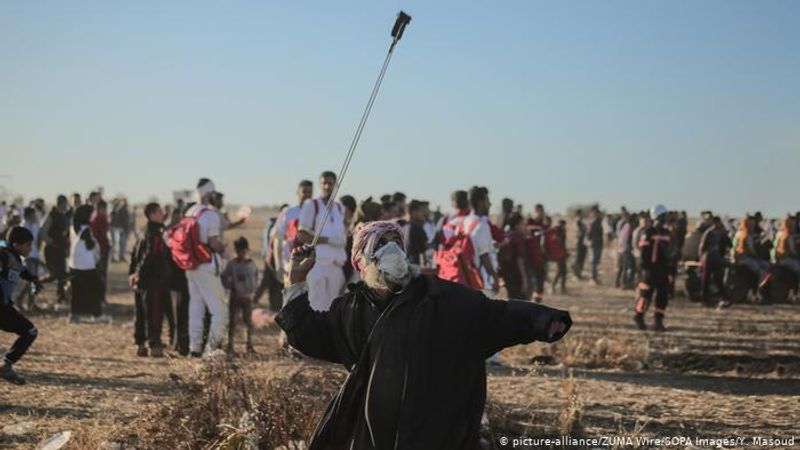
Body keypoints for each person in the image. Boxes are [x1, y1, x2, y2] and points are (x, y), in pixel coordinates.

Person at [276, 221, 572, 449]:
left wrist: (542, 320)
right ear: (361, 260)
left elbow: (492, 315)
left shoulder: (436, 297)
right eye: (381, 244)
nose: (391, 250)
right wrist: (297, 279)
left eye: (396, 242)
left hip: (434, 427)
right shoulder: (350, 311)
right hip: (376, 433)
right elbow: (307, 332)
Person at [184, 178, 228, 357]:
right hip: (206, 265)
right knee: (220, 311)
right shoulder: (210, 215)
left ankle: (194, 348)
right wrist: (224, 249)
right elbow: (213, 243)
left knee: (196, 307)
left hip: (191, 266)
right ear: (209, 193)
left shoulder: (190, 212)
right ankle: (211, 351)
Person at [296, 171, 347, 311]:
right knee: (316, 306)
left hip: (336, 266)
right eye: (324, 183)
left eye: (330, 183)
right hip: (317, 265)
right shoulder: (312, 205)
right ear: (320, 184)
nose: (327, 186)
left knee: (333, 308)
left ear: (335, 185)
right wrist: (328, 240)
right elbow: (302, 235)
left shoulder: (339, 208)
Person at [1, 226, 43, 385]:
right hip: (2, 308)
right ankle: (6, 366)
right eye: (28, 245)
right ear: (16, 244)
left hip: (4, 307)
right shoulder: (3, 255)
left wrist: (34, 280)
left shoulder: (14, 258)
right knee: (29, 332)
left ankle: (6, 366)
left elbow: (23, 271)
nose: (30, 249)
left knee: (29, 332)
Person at [129, 203, 172, 357]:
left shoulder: (143, 232)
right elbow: (149, 254)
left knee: (140, 313)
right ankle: (154, 345)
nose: (162, 214)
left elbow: (134, 254)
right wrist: (138, 273)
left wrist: (133, 273)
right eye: (160, 212)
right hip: (152, 281)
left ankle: (140, 344)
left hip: (142, 281)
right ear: (152, 214)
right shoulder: (155, 235)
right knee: (154, 313)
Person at [634, 205, 673, 332]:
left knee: (662, 296)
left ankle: (658, 321)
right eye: (664, 216)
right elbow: (643, 252)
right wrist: (644, 269)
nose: (666, 218)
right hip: (649, 270)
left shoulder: (666, 233)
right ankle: (639, 317)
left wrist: (670, 270)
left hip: (663, 270)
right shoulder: (648, 232)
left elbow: (669, 252)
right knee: (645, 296)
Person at [68, 205, 110, 323]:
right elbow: (90, 246)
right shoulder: (86, 229)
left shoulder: (74, 226)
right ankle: (97, 315)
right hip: (86, 264)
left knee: (77, 291)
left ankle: (74, 315)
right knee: (95, 289)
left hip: (74, 263)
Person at [222, 237, 258, 354]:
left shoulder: (252, 264)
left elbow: (255, 278)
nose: (241, 254)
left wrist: (253, 291)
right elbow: (224, 278)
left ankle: (249, 345)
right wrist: (230, 286)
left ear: (247, 250)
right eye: (239, 251)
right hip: (235, 297)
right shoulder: (232, 264)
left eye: (243, 251)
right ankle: (230, 345)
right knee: (232, 322)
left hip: (247, 298)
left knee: (248, 322)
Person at [463, 187, 500, 294]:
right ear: (480, 202)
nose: (490, 204)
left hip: (468, 277)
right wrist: (495, 278)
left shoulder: (466, 221)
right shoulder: (482, 225)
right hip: (481, 281)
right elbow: (484, 256)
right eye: (487, 200)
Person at [40, 195, 70, 303]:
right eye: (64, 204)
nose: (65, 206)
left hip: (61, 251)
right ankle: (34, 285)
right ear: (60, 204)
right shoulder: (51, 216)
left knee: (62, 275)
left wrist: (66, 247)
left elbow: (66, 234)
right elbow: (43, 232)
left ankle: (61, 297)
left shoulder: (64, 216)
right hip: (51, 251)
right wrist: (52, 243)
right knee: (54, 275)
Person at [699, 216, 732, 308]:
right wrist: (701, 259)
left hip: (718, 259)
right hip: (709, 259)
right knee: (706, 280)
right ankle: (705, 300)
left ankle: (724, 298)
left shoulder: (722, 233)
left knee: (718, 280)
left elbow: (729, 244)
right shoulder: (709, 233)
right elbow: (702, 247)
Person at [16, 208, 42, 311]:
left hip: (35, 255)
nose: (35, 216)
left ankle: (24, 301)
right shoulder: (23, 227)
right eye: (34, 215)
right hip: (27, 257)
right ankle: (30, 304)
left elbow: (37, 239)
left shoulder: (35, 226)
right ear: (29, 215)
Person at [500, 213, 531, 299]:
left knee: (512, 299)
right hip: (517, 276)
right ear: (517, 226)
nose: (524, 227)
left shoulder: (507, 236)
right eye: (522, 224)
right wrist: (524, 279)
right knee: (521, 301)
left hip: (507, 274)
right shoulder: (518, 238)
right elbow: (519, 259)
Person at [90, 200, 111, 303]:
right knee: (100, 274)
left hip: (101, 249)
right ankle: (100, 297)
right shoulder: (98, 220)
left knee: (101, 274)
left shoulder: (100, 219)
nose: (106, 211)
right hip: (100, 250)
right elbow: (101, 236)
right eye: (104, 209)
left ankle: (100, 296)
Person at [526, 204, 548, 302]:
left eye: (541, 211)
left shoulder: (544, 224)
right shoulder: (529, 222)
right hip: (530, 255)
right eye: (538, 211)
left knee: (540, 278)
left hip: (541, 256)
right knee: (532, 279)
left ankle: (537, 299)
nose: (540, 213)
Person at [404, 200, 430, 267]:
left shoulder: (403, 227)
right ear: (414, 212)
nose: (423, 214)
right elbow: (426, 251)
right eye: (421, 211)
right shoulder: (417, 229)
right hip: (416, 266)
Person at [615, 209, 635, 289]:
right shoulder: (628, 226)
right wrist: (628, 248)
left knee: (621, 267)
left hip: (621, 248)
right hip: (625, 249)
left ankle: (617, 282)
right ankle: (624, 284)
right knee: (625, 267)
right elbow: (626, 238)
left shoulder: (623, 225)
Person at [550, 219, 569, 294]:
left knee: (563, 271)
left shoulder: (562, 232)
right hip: (559, 254)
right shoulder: (556, 232)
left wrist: (566, 252)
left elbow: (563, 244)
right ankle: (554, 286)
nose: (563, 227)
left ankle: (562, 287)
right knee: (560, 271)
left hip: (562, 254)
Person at [587, 206, 604, 284]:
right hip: (593, 244)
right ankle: (592, 278)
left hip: (599, 244)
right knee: (593, 262)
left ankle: (595, 277)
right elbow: (588, 233)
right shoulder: (591, 222)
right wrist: (588, 241)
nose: (596, 214)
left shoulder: (599, 222)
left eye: (597, 213)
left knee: (596, 262)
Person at [111, 198, 131, 262]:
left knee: (122, 244)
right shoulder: (117, 210)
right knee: (117, 243)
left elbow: (127, 221)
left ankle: (120, 256)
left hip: (123, 229)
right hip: (119, 229)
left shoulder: (124, 210)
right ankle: (116, 257)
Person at [572, 209, 588, 279]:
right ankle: (576, 273)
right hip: (579, 241)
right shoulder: (577, 221)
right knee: (578, 258)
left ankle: (579, 273)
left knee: (582, 257)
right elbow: (578, 231)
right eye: (581, 214)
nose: (582, 215)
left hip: (583, 241)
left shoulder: (582, 221)